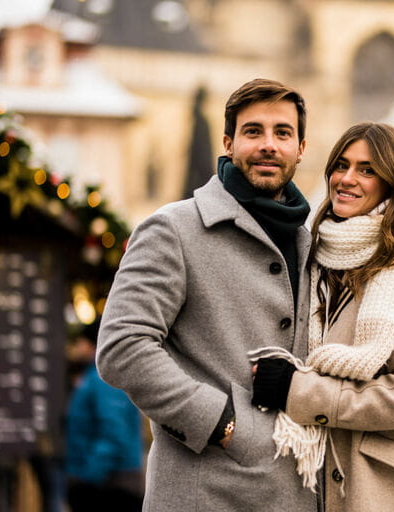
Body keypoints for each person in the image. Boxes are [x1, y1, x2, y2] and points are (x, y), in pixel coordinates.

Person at [96, 79, 318, 511]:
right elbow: (122, 347)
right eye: (253, 132)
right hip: (204, 493)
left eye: (282, 133)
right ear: (229, 143)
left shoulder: (312, 243)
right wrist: (223, 424)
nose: (268, 144)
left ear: (302, 147)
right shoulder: (174, 229)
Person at [249, 122, 394, 511]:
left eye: (367, 170)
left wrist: (300, 392)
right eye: (341, 165)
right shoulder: (315, 260)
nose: (346, 179)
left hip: (387, 488)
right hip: (315, 477)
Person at [65, 321, 144, 512]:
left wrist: (87, 478)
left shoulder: (103, 377)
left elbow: (113, 433)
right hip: (108, 484)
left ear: (91, 344)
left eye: (80, 341)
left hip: (111, 488)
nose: (76, 347)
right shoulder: (96, 376)